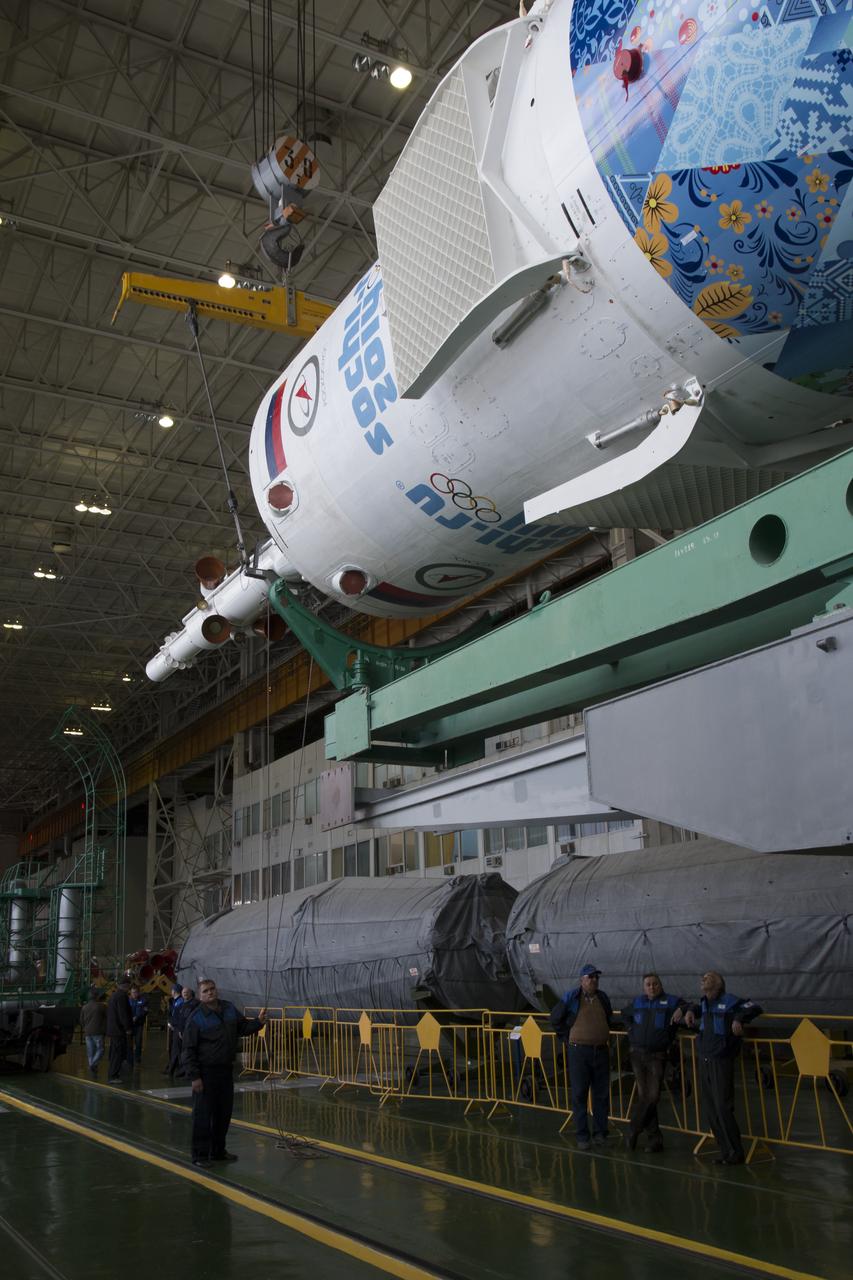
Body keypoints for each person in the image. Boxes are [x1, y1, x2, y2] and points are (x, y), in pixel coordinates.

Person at [181, 979, 265, 1167]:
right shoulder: (196, 1018)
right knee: (203, 1115)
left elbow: (242, 1028)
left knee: (223, 1114)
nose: (210, 993)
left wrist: (258, 1023)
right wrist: (194, 1076)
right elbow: (188, 1049)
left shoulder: (228, 1009)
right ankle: (200, 1156)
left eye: (212, 989)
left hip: (225, 1071)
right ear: (200, 995)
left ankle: (218, 1151)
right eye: (205, 991)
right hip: (205, 1073)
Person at [684, 971, 763, 1165]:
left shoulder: (730, 1001)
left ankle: (736, 1152)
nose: (703, 979)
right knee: (711, 1108)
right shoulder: (703, 1003)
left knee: (722, 1106)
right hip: (705, 1059)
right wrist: (689, 1010)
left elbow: (754, 1007)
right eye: (702, 977)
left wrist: (738, 1018)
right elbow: (694, 1008)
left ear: (719, 984)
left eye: (709, 977)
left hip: (721, 1060)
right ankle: (725, 1150)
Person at [550, 964, 617, 1150]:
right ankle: (582, 1136)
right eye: (590, 977)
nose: (594, 980)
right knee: (579, 1094)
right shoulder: (572, 997)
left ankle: (600, 1134)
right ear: (582, 980)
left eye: (596, 977)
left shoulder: (602, 997)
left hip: (600, 1051)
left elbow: (609, 1017)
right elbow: (555, 1018)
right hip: (579, 1052)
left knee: (601, 1095)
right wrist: (567, 1037)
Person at [623, 973, 688, 1152]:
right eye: (648, 984)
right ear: (644, 987)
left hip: (657, 1056)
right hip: (637, 1054)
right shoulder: (638, 1002)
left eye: (655, 984)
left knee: (652, 1096)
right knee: (646, 1097)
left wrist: (681, 1010)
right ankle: (655, 1139)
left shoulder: (670, 1001)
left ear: (660, 985)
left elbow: (688, 1004)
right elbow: (624, 1014)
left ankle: (632, 1130)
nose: (652, 987)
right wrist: (631, 1031)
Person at [106, 978, 133, 1082]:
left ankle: (112, 1073)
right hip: (118, 1030)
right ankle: (113, 1076)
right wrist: (128, 1028)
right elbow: (123, 1014)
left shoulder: (114, 995)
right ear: (126, 986)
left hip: (113, 1029)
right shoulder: (122, 996)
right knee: (117, 1053)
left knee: (114, 1052)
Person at [169, 987, 197, 1079]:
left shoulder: (194, 1004)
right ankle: (179, 1071)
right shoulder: (182, 1005)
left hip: (187, 1032)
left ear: (191, 993)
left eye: (187, 992)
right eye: (183, 992)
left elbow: (189, 1020)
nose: (185, 994)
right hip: (179, 1030)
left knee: (187, 1053)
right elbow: (177, 1017)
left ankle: (187, 1072)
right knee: (179, 1052)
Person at [79, 988, 107, 1075]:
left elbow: (81, 1021)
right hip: (98, 1032)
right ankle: (92, 1064)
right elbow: (107, 1017)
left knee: (90, 1052)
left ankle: (92, 1065)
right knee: (100, 1050)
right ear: (96, 997)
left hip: (87, 1032)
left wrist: (86, 1027)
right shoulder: (101, 1006)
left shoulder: (84, 1007)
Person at [128, 985, 149, 1065]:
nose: (134, 994)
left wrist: (137, 1016)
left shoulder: (143, 1000)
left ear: (138, 992)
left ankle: (137, 1058)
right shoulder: (128, 1000)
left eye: (135, 992)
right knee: (129, 1042)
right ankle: (129, 1057)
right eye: (132, 992)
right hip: (130, 1024)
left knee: (138, 1042)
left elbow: (145, 1011)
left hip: (139, 1024)